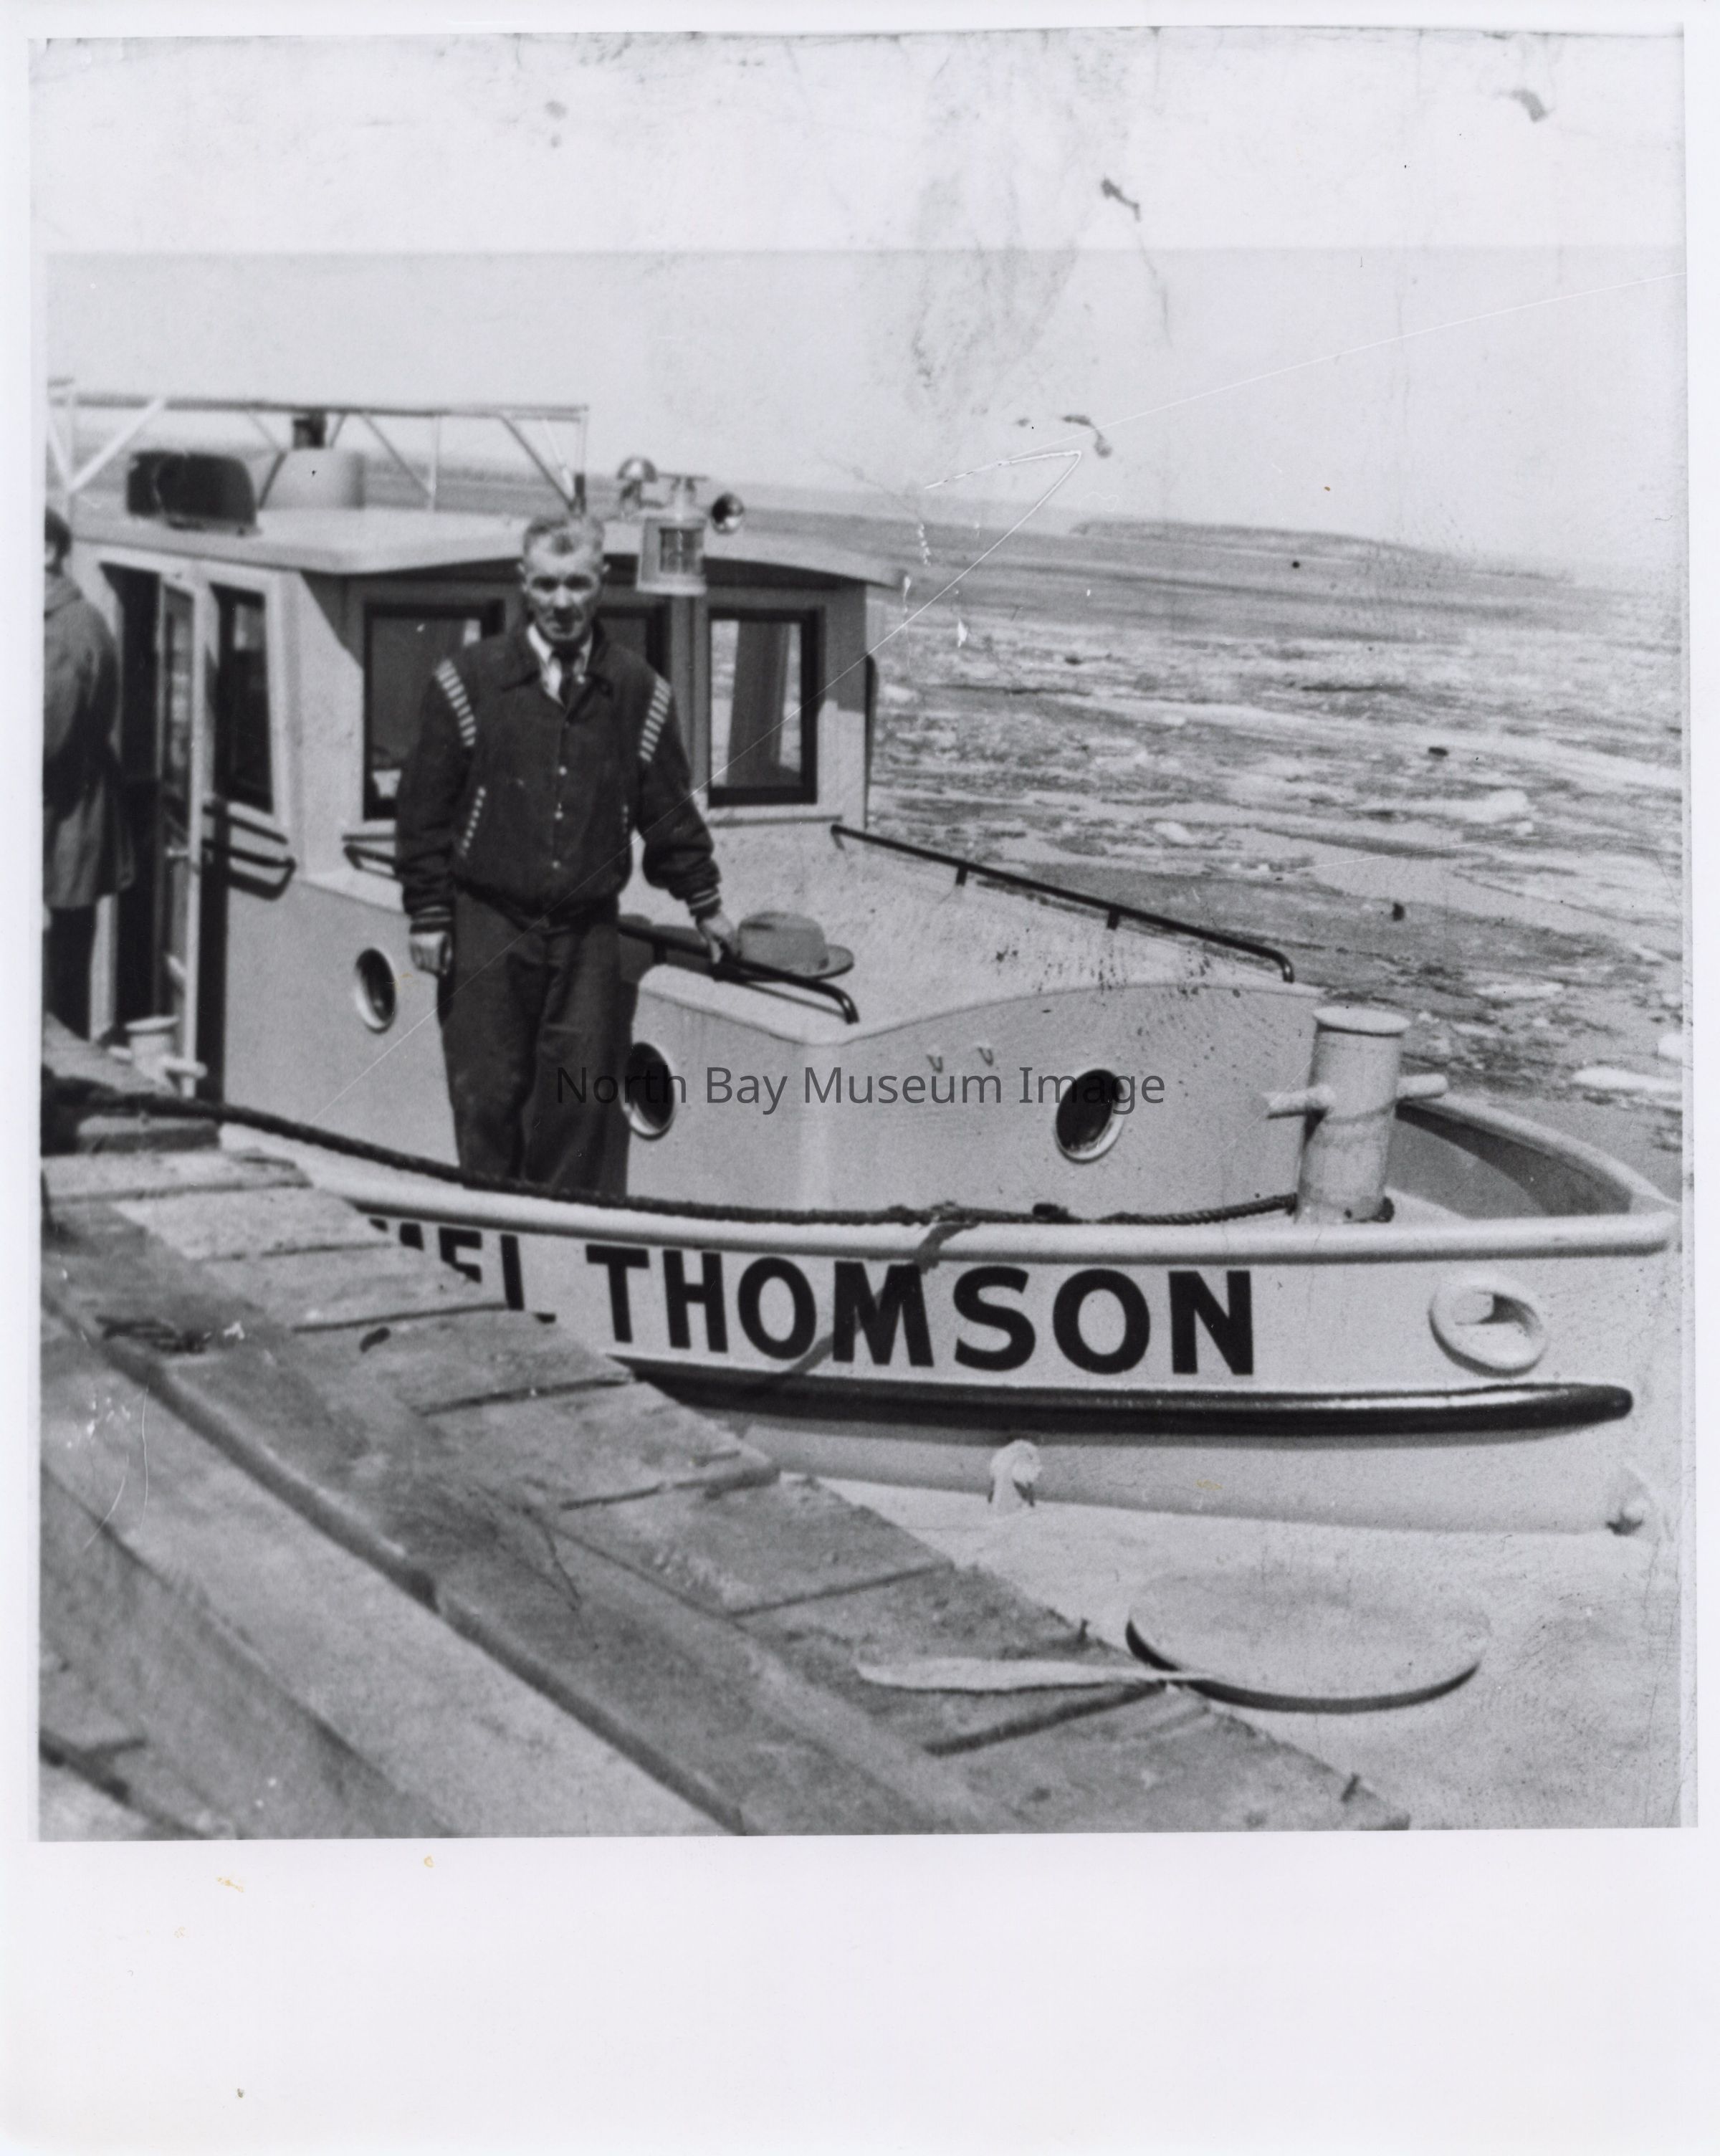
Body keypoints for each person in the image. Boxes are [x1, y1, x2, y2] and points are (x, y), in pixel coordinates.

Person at [396, 512, 735, 1194]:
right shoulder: (467, 681)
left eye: (577, 583)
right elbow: (423, 810)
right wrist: (429, 913)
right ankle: (492, 1235)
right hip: (487, 926)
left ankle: (554, 1244)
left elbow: (668, 810)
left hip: (586, 936)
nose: (561, 601)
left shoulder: (639, 692)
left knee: (577, 1103)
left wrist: (706, 904)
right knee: (487, 1099)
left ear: (601, 583)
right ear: (524, 583)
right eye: (547, 584)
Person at [43, 505, 132, 1038]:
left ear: (47, 552)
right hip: (73, 823)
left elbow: (42, 742)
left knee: (59, 979)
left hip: (64, 828)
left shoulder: (61, 632)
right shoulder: (81, 619)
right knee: (67, 968)